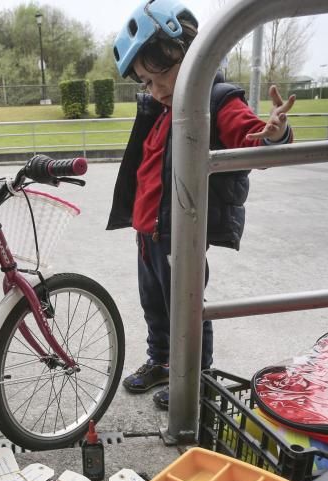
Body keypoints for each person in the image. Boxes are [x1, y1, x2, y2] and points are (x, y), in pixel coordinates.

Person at [108, 0, 294, 409]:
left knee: (188, 309)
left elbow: (251, 140)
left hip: (181, 233)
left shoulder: (217, 100)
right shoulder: (161, 108)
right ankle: (161, 360)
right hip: (148, 233)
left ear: (194, 56)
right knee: (154, 305)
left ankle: (196, 374)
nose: (155, 90)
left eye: (161, 76)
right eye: (145, 83)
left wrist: (273, 133)